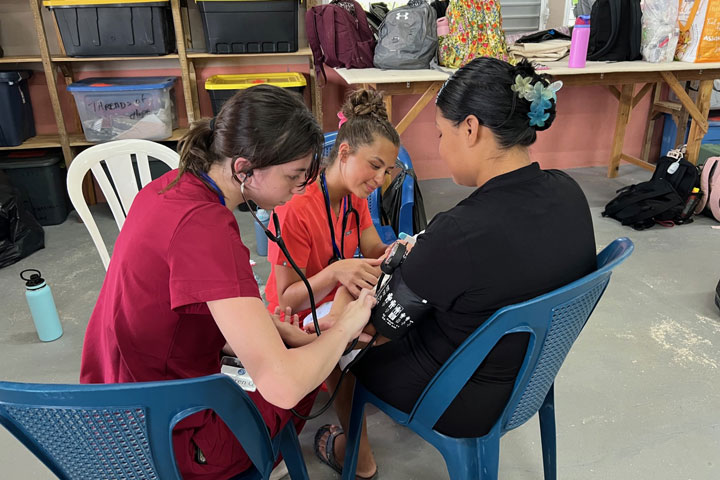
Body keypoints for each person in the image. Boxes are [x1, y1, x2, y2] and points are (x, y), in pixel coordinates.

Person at [312, 58, 598, 476]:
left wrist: (342, 285)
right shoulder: (570, 193)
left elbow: (375, 324)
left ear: (471, 129)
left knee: (342, 342)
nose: (441, 148)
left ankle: (357, 457)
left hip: (459, 399)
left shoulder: (461, 231)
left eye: (442, 134)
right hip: (532, 378)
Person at [79, 84, 375, 480]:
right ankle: (251, 458)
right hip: (168, 438)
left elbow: (198, 305)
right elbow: (283, 386)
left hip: (114, 412)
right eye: (293, 175)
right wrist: (345, 330)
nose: (297, 187)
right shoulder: (208, 230)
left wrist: (295, 338)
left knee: (297, 355)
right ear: (243, 169)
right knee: (307, 382)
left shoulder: (167, 189)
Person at [264, 88, 401, 326]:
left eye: (387, 171)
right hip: (295, 319)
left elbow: (372, 250)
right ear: (345, 153)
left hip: (337, 302)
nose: (380, 180)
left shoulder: (354, 195)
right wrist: (336, 271)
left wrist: (398, 251)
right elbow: (287, 300)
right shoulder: (294, 208)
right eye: (374, 165)